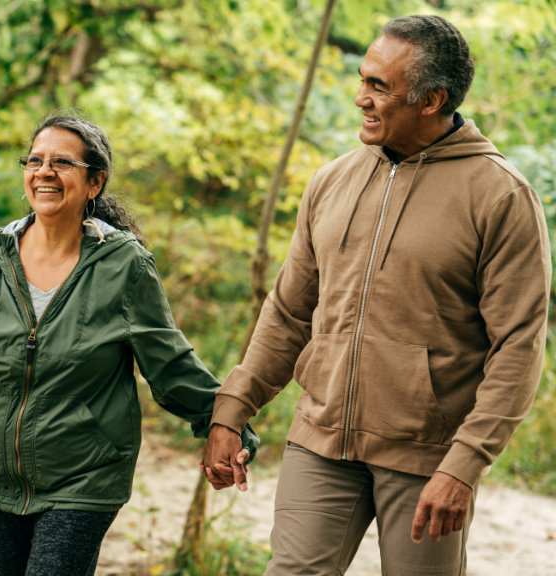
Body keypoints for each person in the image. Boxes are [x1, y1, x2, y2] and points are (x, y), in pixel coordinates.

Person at [201, 15, 550, 575]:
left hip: (426, 459)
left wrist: (464, 465)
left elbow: (519, 347)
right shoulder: (331, 182)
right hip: (320, 440)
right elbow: (290, 312)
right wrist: (233, 408)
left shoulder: (500, 197)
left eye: (379, 87)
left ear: (432, 99)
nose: (360, 97)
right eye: (364, 79)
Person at [0, 113, 259, 575]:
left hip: (84, 477)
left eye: (62, 163)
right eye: (34, 160)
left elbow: (170, 366)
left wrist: (229, 426)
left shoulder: (124, 267)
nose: (44, 171)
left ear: (94, 183)